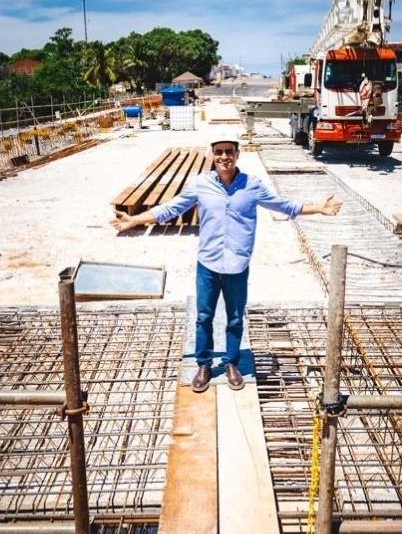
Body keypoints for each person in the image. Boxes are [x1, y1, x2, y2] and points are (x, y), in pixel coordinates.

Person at [110, 128, 342, 393]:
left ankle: (231, 363)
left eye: (229, 152)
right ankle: (204, 364)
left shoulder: (252, 186)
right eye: (219, 152)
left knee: (234, 318)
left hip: (237, 266)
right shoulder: (200, 184)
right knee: (204, 317)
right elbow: (170, 209)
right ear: (212, 155)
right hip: (208, 265)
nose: (224, 157)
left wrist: (318, 208)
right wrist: (135, 219)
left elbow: (283, 205)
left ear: (237, 154)